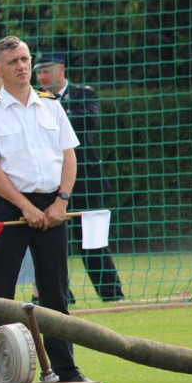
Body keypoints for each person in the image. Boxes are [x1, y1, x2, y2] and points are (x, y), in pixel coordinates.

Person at [0, 36, 89, 383]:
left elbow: (69, 155)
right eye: (13, 62)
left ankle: (65, 370)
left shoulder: (51, 105)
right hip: (8, 206)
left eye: (25, 59)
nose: (22, 66)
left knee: (55, 292)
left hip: (53, 205)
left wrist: (60, 201)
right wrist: (25, 207)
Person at [35, 51, 125, 302]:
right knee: (52, 241)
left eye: (46, 70)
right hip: (51, 180)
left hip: (86, 179)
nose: (41, 76)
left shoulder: (84, 93)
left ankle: (111, 294)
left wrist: (56, 116)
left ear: (61, 68)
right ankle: (60, 295)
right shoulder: (34, 99)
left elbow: (89, 122)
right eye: (38, 71)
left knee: (93, 238)